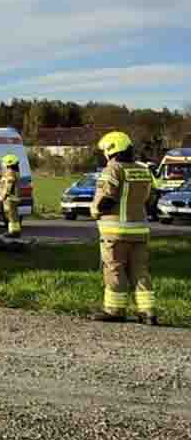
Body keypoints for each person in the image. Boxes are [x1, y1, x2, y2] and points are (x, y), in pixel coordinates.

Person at [90, 131, 156, 324]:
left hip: (115, 232)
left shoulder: (113, 169)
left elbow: (107, 199)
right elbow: (149, 199)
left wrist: (95, 210)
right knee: (140, 270)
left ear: (111, 150)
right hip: (140, 231)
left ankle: (114, 310)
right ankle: (148, 311)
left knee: (114, 269)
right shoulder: (142, 170)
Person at [0, 154, 22, 238]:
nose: (3, 164)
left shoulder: (10, 172)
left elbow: (9, 185)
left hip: (10, 198)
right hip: (13, 198)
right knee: (13, 216)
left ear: (8, 163)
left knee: (11, 216)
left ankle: (13, 232)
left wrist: (4, 196)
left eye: (4, 163)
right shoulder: (14, 172)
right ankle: (15, 231)